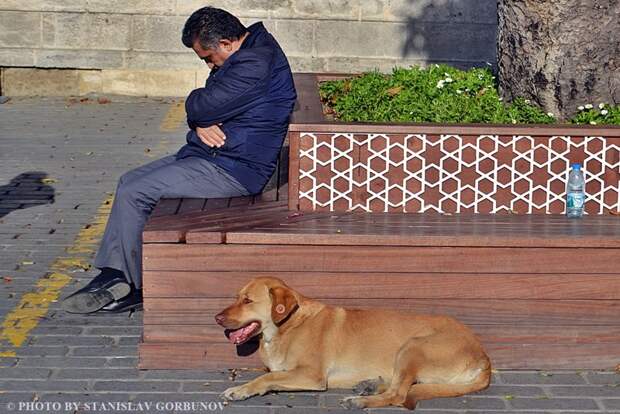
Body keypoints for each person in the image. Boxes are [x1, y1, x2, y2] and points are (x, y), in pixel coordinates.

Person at [61, 7, 297, 314]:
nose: (210, 65)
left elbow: (202, 106)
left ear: (226, 43)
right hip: (218, 156)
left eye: (208, 58)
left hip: (234, 169)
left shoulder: (252, 63)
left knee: (136, 192)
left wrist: (197, 111)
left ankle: (132, 285)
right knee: (128, 181)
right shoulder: (252, 48)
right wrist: (202, 120)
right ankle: (115, 274)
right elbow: (208, 110)